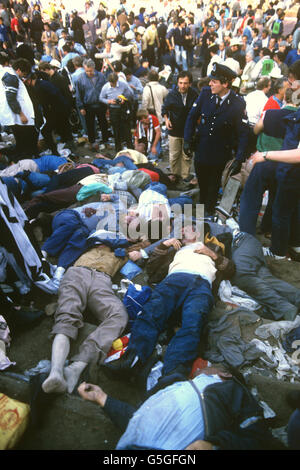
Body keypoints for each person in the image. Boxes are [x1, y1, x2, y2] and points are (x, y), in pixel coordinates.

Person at [104, 225, 235, 385]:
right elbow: (151, 270)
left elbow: (231, 270)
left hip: (201, 283)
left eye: (188, 228)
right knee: (151, 312)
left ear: (198, 233)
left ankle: (172, 374)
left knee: (193, 324)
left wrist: (213, 255)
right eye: (181, 229)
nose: (182, 231)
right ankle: (133, 360)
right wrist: (162, 246)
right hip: (174, 280)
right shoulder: (174, 249)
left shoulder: (213, 247)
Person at [77, 363, 277, 450]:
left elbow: (260, 439)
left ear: (224, 374)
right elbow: (138, 419)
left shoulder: (231, 388)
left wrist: (216, 445)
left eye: (209, 366)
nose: (199, 368)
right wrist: (103, 398)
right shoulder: (176, 382)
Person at [184, 63, 248, 216]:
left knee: (213, 186)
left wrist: (239, 158)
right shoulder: (205, 94)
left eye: (214, 81)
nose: (210, 84)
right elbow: (192, 117)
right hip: (202, 149)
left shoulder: (238, 103)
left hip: (220, 153)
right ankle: (202, 210)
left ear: (225, 84)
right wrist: (187, 139)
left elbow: (243, 133)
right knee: (203, 183)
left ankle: (207, 214)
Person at [161, 70, 198, 180]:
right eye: (180, 83)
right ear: (177, 83)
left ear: (190, 83)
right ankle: (175, 177)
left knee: (186, 156)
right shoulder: (172, 94)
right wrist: (166, 120)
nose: (182, 86)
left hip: (189, 131)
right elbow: (164, 109)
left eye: (185, 83)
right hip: (175, 130)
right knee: (174, 155)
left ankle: (185, 176)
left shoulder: (194, 94)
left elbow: (198, 111)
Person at [0, 56, 38, 160]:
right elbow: (11, 98)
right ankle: (23, 156)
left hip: (12, 113)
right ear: (18, 70)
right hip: (15, 114)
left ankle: (21, 153)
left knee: (20, 136)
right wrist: (21, 114)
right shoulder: (12, 78)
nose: (24, 77)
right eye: (24, 74)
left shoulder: (8, 72)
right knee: (23, 135)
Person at [75, 58, 109, 151]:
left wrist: (107, 102)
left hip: (101, 104)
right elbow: (78, 94)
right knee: (90, 125)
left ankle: (105, 141)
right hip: (88, 105)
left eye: (90, 71)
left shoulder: (101, 76)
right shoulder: (80, 78)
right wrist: (81, 107)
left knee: (103, 123)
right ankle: (92, 142)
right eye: (86, 71)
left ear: (94, 68)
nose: (89, 73)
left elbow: (106, 89)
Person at [99, 72, 133, 152]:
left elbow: (130, 95)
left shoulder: (123, 84)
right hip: (113, 109)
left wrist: (123, 99)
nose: (113, 85)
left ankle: (130, 148)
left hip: (123, 109)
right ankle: (118, 149)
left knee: (126, 129)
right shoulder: (105, 87)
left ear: (117, 80)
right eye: (111, 83)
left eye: (114, 83)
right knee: (116, 130)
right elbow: (101, 98)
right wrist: (109, 101)